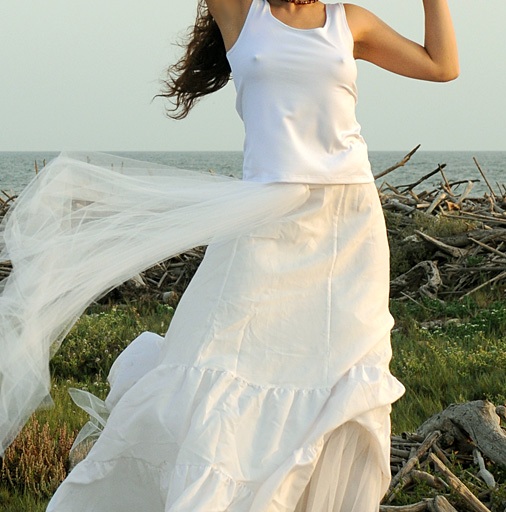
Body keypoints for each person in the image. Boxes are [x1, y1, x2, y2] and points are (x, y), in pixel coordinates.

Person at [0, 0, 458, 510]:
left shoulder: (349, 20)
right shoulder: (241, 14)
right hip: (266, 218)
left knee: (340, 376)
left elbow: (442, 65)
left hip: (347, 226)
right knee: (215, 359)